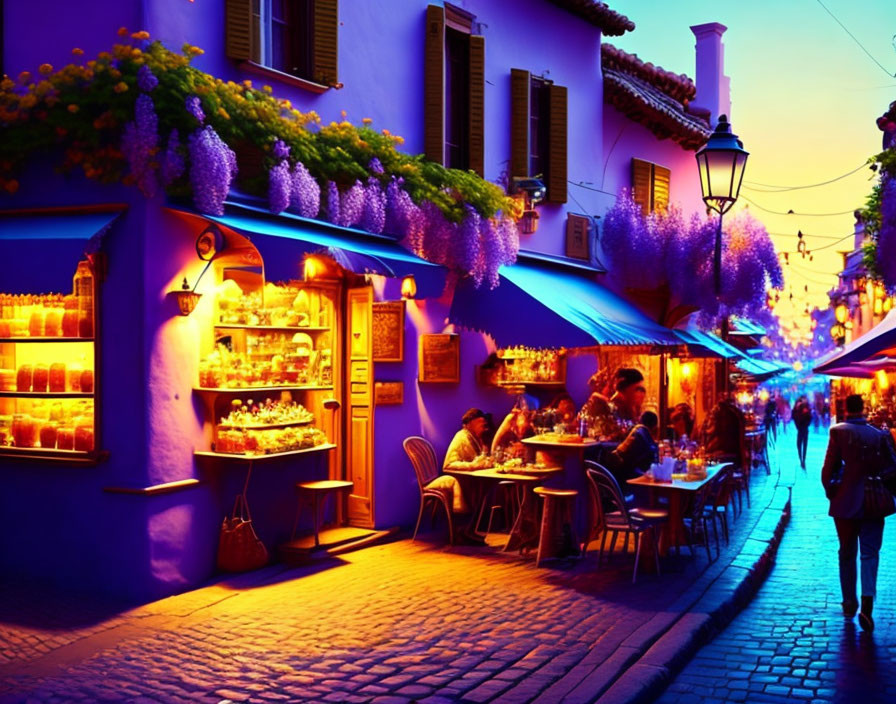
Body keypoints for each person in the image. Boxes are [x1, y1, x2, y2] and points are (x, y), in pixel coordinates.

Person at [821, 394, 895, 631]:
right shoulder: (879, 434)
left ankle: (849, 601)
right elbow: (891, 466)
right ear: (863, 409)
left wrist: (832, 491)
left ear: (846, 408)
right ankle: (867, 605)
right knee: (870, 554)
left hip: (845, 500)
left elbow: (828, 468)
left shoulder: (838, 432)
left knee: (846, 552)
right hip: (874, 500)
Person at [604, 411, 659, 483]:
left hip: (616, 471)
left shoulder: (636, 430)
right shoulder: (642, 432)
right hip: (627, 474)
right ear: (654, 425)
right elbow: (652, 453)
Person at [700, 395, 747, 469]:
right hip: (727, 457)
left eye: (712, 419)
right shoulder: (714, 435)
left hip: (724, 459)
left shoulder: (722, 436)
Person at [792, 396, 813, 470]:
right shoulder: (796, 409)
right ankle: (801, 459)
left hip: (804, 428)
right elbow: (794, 416)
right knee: (799, 445)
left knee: (804, 445)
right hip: (800, 429)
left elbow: (810, 417)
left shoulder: (806, 408)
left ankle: (803, 460)